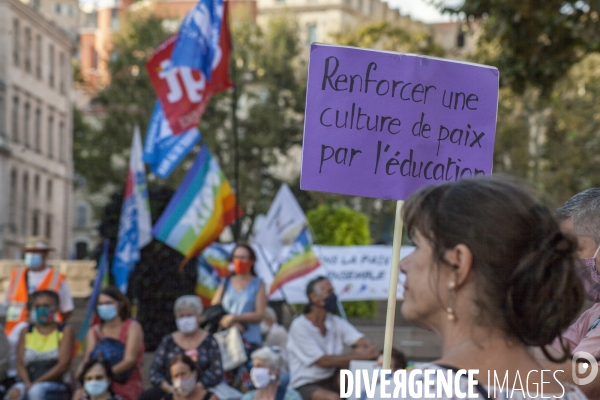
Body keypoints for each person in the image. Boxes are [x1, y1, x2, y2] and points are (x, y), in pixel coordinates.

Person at [379, 177, 587, 399]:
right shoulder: (572, 396)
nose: (403, 265)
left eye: (417, 246)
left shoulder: (408, 393)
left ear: (458, 263)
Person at [539, 187, 600, 398]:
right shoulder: (594, 313)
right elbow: (554, 355)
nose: (565, 262)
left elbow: (581, 380)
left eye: (572, 250)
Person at [287, 276, 379, 400]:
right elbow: (322, 361)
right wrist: (362, 355)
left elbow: (363, 343)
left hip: (333, 378)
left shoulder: (335, 322)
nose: (333, 296)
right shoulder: (299, 326)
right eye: (329, 292)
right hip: (307, 383)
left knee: (357, 359)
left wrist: (366, 350)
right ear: (314, 297)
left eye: (333, 291)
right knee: (334, 398)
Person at [4, 237, 74, 386]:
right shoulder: (16, 275)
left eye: (35, 252)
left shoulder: (56, 278)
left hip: (46, 330)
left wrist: (48, 323)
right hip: (15, 328)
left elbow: (67, 310)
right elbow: (7, 302)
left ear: (45, 254)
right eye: (29, 252)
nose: (31, 255)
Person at [141, 295, 223, 400]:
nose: (185, 319)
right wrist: (169, 388)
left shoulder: (209, 340)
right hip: (172, 389)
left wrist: (197, 387)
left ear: (199, 316)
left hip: (202, 390)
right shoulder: (168, 341)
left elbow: (216, 371)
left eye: (189, 315)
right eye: (181, 316)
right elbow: (155, 372)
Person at [211, 244, 267, 392]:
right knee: (224, 387)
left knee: (248, 387)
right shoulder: (226, 282)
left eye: (243, 257)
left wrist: (235, 318)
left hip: (249, 342)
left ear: (252, 261)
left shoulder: (258, 284)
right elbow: (214, 309)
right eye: (236, 257)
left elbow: (259, 314)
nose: (239, 261)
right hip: (227, 344)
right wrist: (229, 323)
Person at [5, 290, 74, 400]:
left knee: (36, 392)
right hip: (29, 381)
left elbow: (63, 364)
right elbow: (20, 363)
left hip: (56, 383)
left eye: (46, 305)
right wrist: (28, 383)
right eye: (37, 306)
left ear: (56, 308)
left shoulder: (64, 330)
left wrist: (36, 383)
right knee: (14, 393)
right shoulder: (26, 331)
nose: (41, 309)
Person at [78, 287, 144, 400]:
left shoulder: (132, 327)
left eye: (108, 303)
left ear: (121, 304)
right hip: (96, 381)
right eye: (100, 304)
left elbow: (130, 360)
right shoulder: (94, 331)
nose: (104, 307)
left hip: (124, 382)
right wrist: (82, 378)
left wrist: (104, 376)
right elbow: (87, 360)